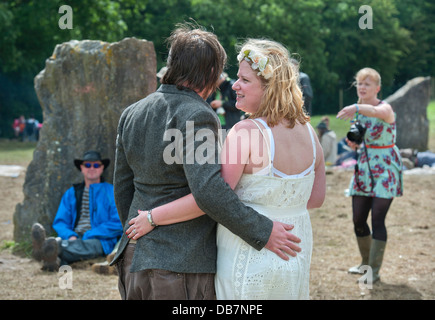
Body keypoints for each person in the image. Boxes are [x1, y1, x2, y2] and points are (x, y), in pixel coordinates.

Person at [111, 24, 303, 300]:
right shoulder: (197, 114)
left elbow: (122, 188)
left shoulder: (132, 112)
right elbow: (209, 191)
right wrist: (263, 231)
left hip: (133, 256)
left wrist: (134, 232)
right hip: (180, 264)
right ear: (213, 73)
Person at [336, 67, 403, 283]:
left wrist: (356, 106)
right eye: (359, 84)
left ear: (377, 88)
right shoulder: (358, 112)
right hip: (364, 167)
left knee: (377, 219)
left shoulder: (386, 108)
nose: (362, 87)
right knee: (358, 219)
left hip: (385, 168)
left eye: (367, 84)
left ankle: (374, 270)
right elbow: (359, 140)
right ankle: (365, 264)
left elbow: (375, 113)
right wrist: (353, 144)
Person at [31, 150, 123, 271]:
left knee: (81, 246)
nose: (92, 168)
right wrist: (70, 236)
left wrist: (90, 234)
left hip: (100, 240)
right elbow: (60, 222)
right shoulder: (71, 193)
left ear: (102, 168)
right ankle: (53, 260)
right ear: (82, 168)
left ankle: (47, 248)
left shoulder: (112, 192)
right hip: (73, 238)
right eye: (87, 165)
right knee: (73, 246)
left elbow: (119, 222)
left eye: (96, 165)